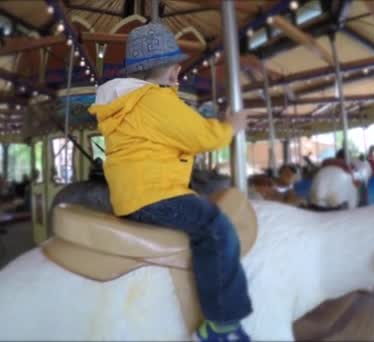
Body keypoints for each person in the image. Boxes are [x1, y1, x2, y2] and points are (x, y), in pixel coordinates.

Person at [88, 23, 252, 341]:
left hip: (131, 194)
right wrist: (230, 126)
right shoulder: (155, 103)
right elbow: (200, 136)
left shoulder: (130, 100)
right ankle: (222, 325)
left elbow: (163, 124)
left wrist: (169, 89)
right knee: (216, 229)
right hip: (156, 194)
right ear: (173, 68)